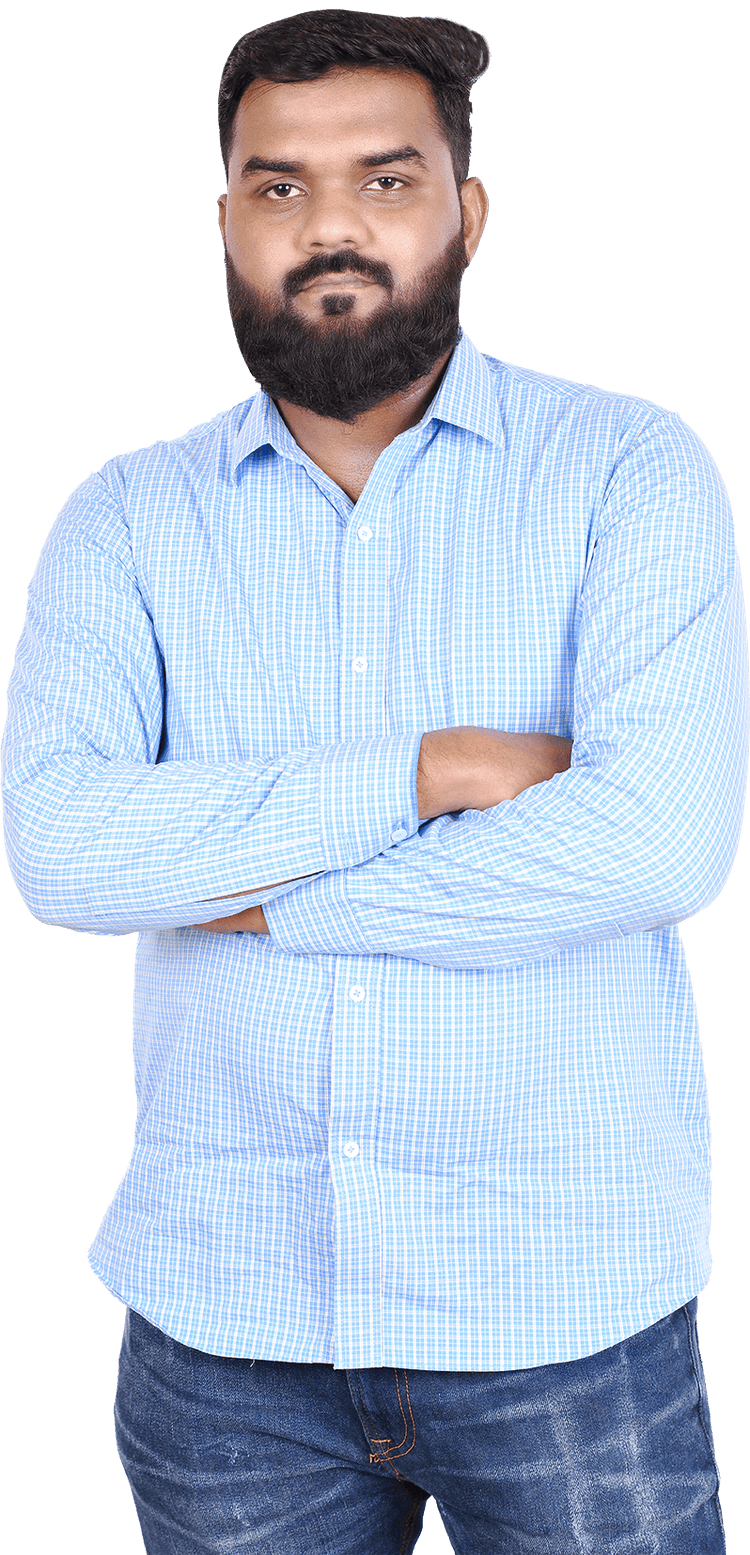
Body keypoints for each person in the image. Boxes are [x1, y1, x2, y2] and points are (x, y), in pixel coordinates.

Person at [1, 8, 747, 1552]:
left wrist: (253, 894)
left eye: (383, 179)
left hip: (565, 1318)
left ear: (465, 213)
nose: (327, 225)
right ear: (224, 221)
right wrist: (425, 772)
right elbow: (64, 850)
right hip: (224, 1324)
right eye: (277, 186)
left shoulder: (628, 470)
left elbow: (654, 843)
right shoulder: (125, 519)